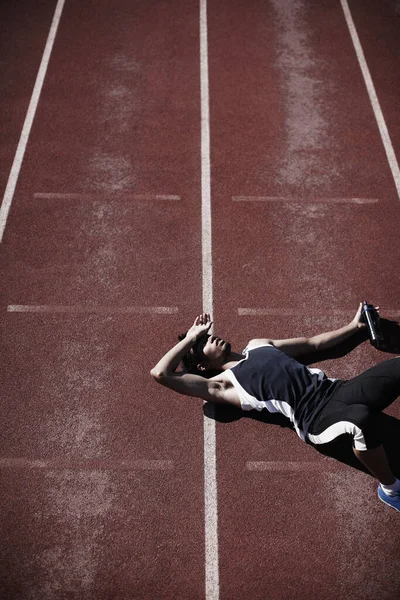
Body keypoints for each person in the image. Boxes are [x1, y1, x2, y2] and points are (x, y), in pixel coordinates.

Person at [150, 303, 400, 513]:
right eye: (203, 343)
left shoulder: (258, 345)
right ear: (202, 366)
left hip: (339, 390)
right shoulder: (223, 385)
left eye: (206, 335)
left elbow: (313, 344)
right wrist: (192, 336)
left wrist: (353, 326)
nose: (210, 336)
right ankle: (390, 489)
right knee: (361, 421)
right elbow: (161, 373)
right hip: (316, 418)